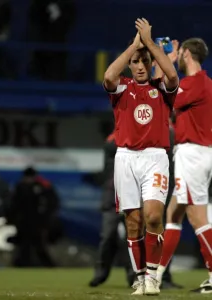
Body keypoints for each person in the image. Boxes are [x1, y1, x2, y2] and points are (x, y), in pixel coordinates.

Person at [103, 18, 179, 295]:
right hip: (126, 158)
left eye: (144, 61)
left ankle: (152, 276)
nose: (139, 66)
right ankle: (139, 277)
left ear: (151, 64)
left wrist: (148, 43)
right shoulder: (121, 88)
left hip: (155, 157)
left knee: (154, 216)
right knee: (133, 221)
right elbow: (108, 76)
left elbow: (173, 76)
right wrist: (134, 46)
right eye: (135, 61)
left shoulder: (162, 89)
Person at [155, 38, 212, 294]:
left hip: (193, 154)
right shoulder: (206, 84)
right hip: (197, 153)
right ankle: (155, 275)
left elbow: (166, 99)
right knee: (174, 214)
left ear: (187, 53)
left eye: (180, 53)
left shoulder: (195, 83)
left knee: (197, 216)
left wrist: (166, 58)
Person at [89, 132, 135, 288]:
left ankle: (134, 275)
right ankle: (101, 272)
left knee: (133, 238)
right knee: (108, 236)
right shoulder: (113, 140)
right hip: (112, 198)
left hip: (131, 197)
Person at [10, 167, 59, 267]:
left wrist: (46, 219)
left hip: (39, 223)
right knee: (24, 246)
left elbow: (52, 203)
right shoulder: (20, 187)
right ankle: (21, 266)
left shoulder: (43, 186)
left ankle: (49, 266)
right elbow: (14, 205)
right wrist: (12, 219)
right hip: (24, 222)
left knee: (39, 245)